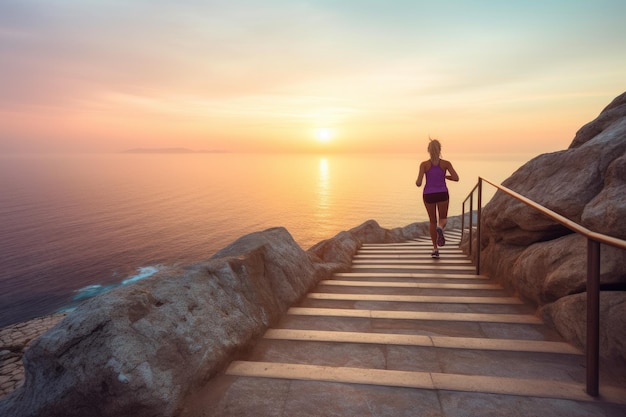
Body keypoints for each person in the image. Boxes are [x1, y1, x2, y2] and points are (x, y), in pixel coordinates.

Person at [415, 138, 459, 258]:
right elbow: (456, 178)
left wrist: (419, 180)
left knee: (432, 221)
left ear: (428, 150)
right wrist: (445, 177)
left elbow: (419, 183)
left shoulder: (424, 165)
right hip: (442, 193)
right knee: (443, 219)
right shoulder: (446, 164)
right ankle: (441, 228)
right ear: (440, 150)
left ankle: (435, 249)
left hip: (428, 194)